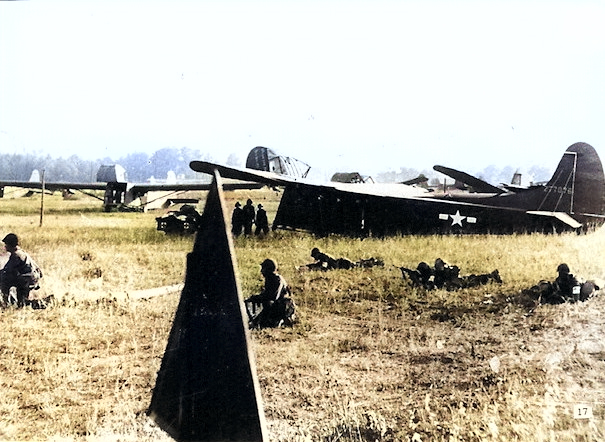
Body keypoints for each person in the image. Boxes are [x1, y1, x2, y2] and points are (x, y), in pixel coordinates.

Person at [245, 259, 295, 328]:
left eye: (263, 268)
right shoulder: (271, 279)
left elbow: (272, 297)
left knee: (263, 324)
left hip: (282, 308)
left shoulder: (276, 279)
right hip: (277, 307)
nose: (261, 271)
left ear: (268, 269)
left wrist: (257, 298)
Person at [1, 233, 43, 308]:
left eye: (6, 244)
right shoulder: (21, 253)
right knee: (22, 303)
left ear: (10, 245)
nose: (5, 246)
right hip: (30, 278)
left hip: (26, 280)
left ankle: (5, 303)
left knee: (3, 280)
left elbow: (8, 271)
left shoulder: (16, 255)